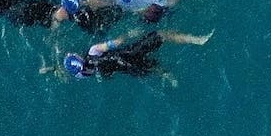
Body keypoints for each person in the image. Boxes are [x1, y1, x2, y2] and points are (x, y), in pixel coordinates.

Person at [53, 28, 210, 81]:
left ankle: (170, 79)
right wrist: (128, 34)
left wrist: (54, 69)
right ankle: (197, 40)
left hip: (131, 68)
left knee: (157, 69)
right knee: (161, 35)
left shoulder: (90, 73)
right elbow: (116, 43)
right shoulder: (93, 51)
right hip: (130, 52)